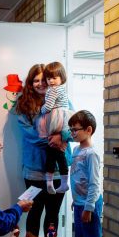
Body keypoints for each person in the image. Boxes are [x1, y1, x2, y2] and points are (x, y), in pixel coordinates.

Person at [14, 64, 73, 237]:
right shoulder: (23, 105)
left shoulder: (63, 98)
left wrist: (62, 136)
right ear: (30, 83)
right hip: (34, 170)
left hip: (59, 171)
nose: (40, 84)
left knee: (53, 215)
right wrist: (53, 139)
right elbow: (30, 136)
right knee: (34, 213)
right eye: (35, 80)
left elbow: (73, 125)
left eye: (43, 79)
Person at [65, 110, 103, 237]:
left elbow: (94, 184)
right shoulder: (76, 149)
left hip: (91, 204)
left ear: (88, 129)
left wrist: (88, 207)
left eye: (75, 130)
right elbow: (77, 179)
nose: (72, 133)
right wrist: (76, 201)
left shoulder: (92, 154)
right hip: (80, 203)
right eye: (70, 130)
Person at [38, 61, 71, 194]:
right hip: (62, 119)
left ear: (62, 78)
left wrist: (42, 109)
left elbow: (49, 106)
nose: (51, 81)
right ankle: (62, 183)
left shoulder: (53, 90)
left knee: (52, 154)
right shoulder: (62, 89)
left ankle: (50, 182)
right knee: (59, 155)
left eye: (54, 78)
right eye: (49, 78)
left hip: (56, 118)